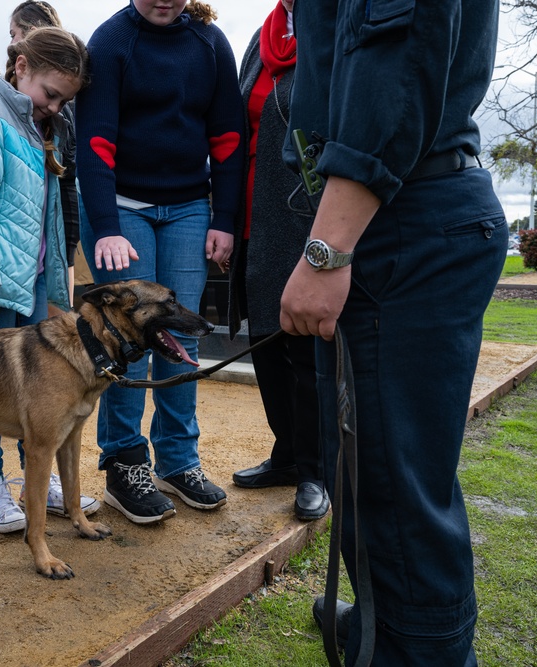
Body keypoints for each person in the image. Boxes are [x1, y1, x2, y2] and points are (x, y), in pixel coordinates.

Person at [280, 1, 507, 664]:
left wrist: (329, 247)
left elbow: (397, 62)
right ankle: (389, 618)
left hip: (398, 221)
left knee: (396, 498)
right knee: (379, 480)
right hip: (401, 211)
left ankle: (414, 645)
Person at [75, 0, 240, 524]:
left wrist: (226, 218)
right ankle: (125, 464)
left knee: (181, 333)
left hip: (191, 205)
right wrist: (105, 227)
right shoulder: (112, 41)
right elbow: (94, 142)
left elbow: (229, 137)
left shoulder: (209, 43)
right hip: (122, 204)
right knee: (127, 337)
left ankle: (178, 460)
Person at [0, 26, 96, 534]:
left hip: (32, 276)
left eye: (64, 100)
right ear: (20, 68)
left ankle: (36, 480)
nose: (55, 106)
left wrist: (57, 275)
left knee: (38, 393)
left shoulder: (43, 127)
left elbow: (51, 210)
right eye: (50, 94)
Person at [228, 0, 329, 522]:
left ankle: (317, 470)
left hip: (309, 213)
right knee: (266, 342)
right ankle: (287, 455)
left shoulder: (332, 26)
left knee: (306, 351)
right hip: (256, 212)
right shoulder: (263, 37)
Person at [9, 0, 81, 312]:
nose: (54, 107)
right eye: (51, 96)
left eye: (14, 33)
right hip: (9, 274)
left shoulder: (54, 122)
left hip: (38, 268)